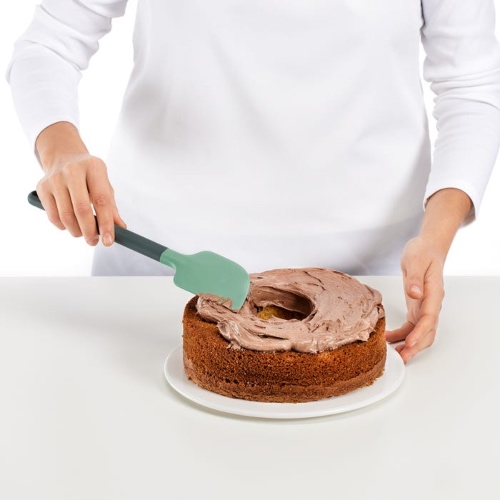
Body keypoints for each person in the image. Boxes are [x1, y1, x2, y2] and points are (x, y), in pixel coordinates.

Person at [7, 1, 500, 363]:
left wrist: (436, 237)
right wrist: (61, 150)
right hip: (153, 278)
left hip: (371, 291)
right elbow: (49, 42)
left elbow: (472, 86)